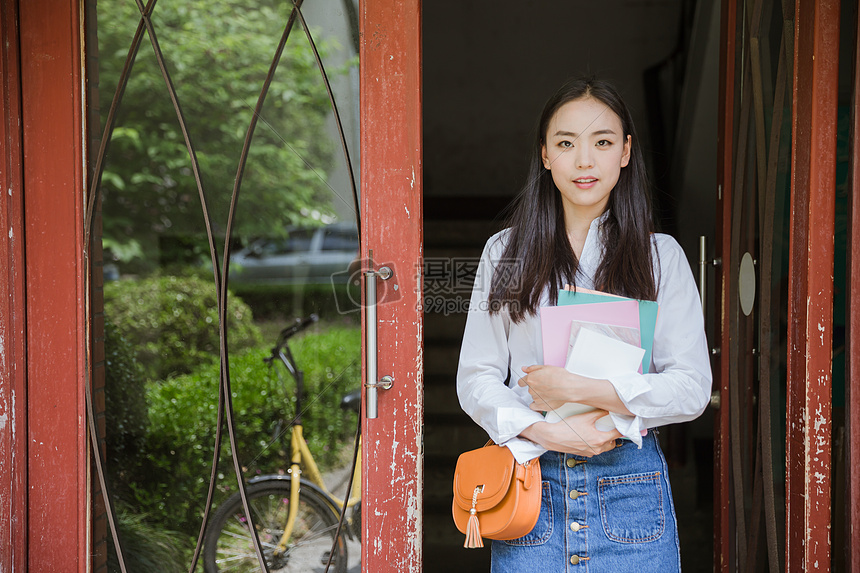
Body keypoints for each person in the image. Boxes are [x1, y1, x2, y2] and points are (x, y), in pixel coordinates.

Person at [456, 77, 712, 571]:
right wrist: (545, 432)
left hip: (630, 491)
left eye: (602, 142)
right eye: (567, 143)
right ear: (546, 154)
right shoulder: (505, 253)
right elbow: (476, 378)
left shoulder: (661, 258)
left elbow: (691, 387)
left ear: (625, 152)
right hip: (532, 488)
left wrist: (583, 388)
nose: (584, 160)